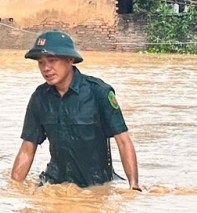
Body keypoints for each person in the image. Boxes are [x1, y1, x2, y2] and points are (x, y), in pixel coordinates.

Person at [10, 31, 141, 191]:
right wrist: (13, 188)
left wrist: (134, 186)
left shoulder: (99, 92)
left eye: (52, 60)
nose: (46, 68)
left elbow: (123, 141)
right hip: (54, 183)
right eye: (41, 63)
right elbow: (27, 148)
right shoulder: (39, 98)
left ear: (70, 60)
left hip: (96, 184)